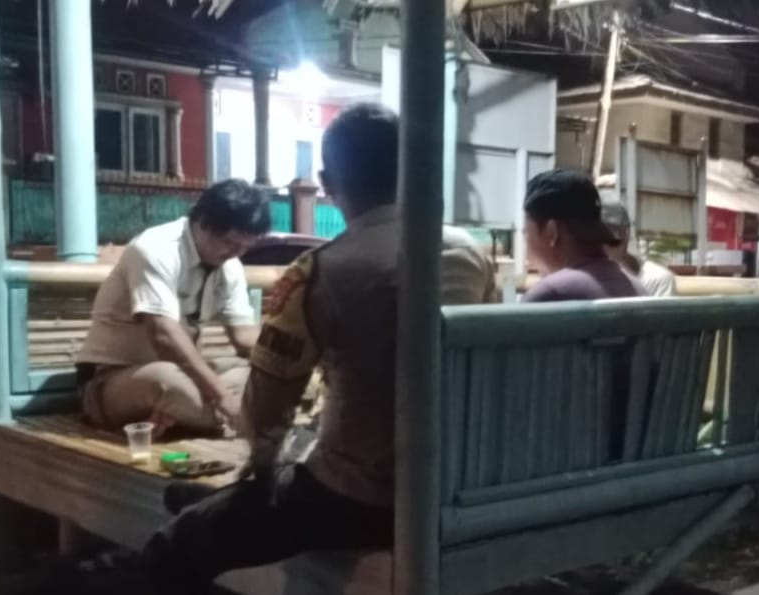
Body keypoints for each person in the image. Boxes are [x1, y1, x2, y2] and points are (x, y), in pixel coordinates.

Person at [142, 102, 495, 594]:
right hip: (455, 485)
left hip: (356, 501)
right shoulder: (471, 255)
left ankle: (211, 510)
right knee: (229, 502)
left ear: (328, 184)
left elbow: (265, 411)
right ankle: (212, 505)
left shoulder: (321, 271)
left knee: (166, 550)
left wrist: (261, 474)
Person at [75, 179, 270, 437]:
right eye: (230, 243)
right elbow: (164, 335)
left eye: (246, 247)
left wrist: (289, 363)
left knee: (265, 378)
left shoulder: (230, 266)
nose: (237, 253)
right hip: (112, 379)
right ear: (203, 223)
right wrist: (222, 396)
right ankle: (241, 416)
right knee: (169, 383)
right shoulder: (156, 248)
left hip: (182, 372)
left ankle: (185, 414)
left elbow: (244, 335)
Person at [522, 169, 648, 302]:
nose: (526, 240)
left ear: (551, 231)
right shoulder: (636, 287)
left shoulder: (549, 294)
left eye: (526, 231)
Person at [600, 200, 677, 297]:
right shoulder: (585, 280)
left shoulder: (656, 280)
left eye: (612, 235)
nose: (605, 245)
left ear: (627, 234)